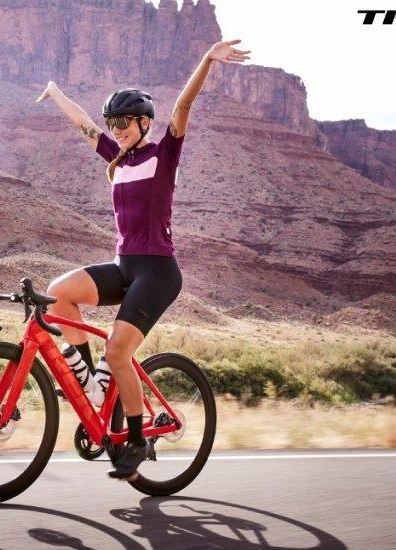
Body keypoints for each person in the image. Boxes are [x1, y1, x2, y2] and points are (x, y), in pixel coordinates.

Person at [36, 39, 250, 480]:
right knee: (57, 296)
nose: (115, 129)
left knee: (117, 351)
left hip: (158, 271)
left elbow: (184, 106)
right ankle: (94, 386)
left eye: (123, 122)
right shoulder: (116, 158)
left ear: (143, 123)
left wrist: (207, 57)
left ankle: (136, 440)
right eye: (112, 122)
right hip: (124, 266)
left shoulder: (163, 154)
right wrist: (55, 91)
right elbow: (83, 123)